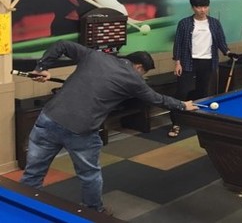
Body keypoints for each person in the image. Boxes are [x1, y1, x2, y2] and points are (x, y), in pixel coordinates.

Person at [20, 40, 198, 214]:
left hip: (49, 119)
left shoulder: (95, 56)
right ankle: (93, 210)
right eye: (142, 74)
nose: (141, 77)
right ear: (138, 67)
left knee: (34, 172)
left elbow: (62, 45)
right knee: (89, 174)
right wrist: (183, 105)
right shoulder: (133, 80)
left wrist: (41, 68)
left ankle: (22, 209)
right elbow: (157, 99)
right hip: (80, 129)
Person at [169, 0, 236, 137]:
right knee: (182, 92)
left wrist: (229, 53)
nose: (202, 10)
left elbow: (221, 41)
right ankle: (176, 123)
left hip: (207, 62)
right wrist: (177, 62)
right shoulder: (184, 23)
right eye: (199, 7)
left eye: (205, 7)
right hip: (188, 62)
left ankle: (199, 120)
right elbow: (178, 44)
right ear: (193, 8)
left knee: (203, 92)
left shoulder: (214, 23)